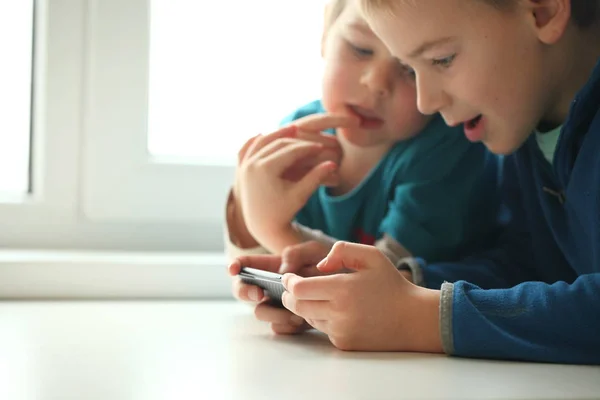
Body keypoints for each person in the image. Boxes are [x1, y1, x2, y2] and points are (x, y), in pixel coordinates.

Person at [230, 0, 600, 365]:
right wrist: (389, 286)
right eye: (412, 68)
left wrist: (421, 318)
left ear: (543, 10)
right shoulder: (523, 128)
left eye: (441, 59)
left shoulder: (491, 130)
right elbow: (526, 272)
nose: (425, 102)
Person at [225, 0, 499, 333]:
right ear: (325, 35)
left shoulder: (444, 147)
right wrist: (245, 213)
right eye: (360, 49)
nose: (376, 83)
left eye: (409, 69)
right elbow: (246, 271)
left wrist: (270, 227)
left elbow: (385, 282)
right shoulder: (298, 133)